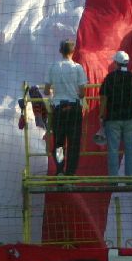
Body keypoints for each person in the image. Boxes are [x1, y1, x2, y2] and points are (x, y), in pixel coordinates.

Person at [44, 38, 87, 176]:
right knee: (74, 144)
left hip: (59, 108)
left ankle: (60, 169)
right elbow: (82, 93)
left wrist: (53, 92)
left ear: (60, 51)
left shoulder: (53, 67)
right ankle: (70, 173)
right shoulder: (78, 68)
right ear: (73, 51)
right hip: (74, 108)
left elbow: (46, 90)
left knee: (59, 142)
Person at [99, 50, 132, 178]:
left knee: (113, 150)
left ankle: (113, 179)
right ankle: (130, 178)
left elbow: (103, 97)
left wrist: (101, 115)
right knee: (130, 149)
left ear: (116, 63)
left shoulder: (110, 78)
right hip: (130, 117)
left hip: (113, 118)